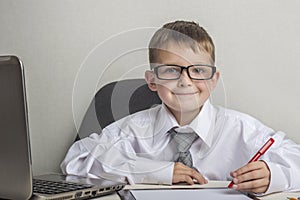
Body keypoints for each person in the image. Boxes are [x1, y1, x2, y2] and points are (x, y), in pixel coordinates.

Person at [61, 20, 300, 194]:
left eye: (198, 70)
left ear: (214, 80)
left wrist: (274, 176)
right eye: (171, 70)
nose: (185, 81)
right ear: (152, 81)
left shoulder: (241, 130)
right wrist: (157, 172)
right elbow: (76, 160)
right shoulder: (133, 130)